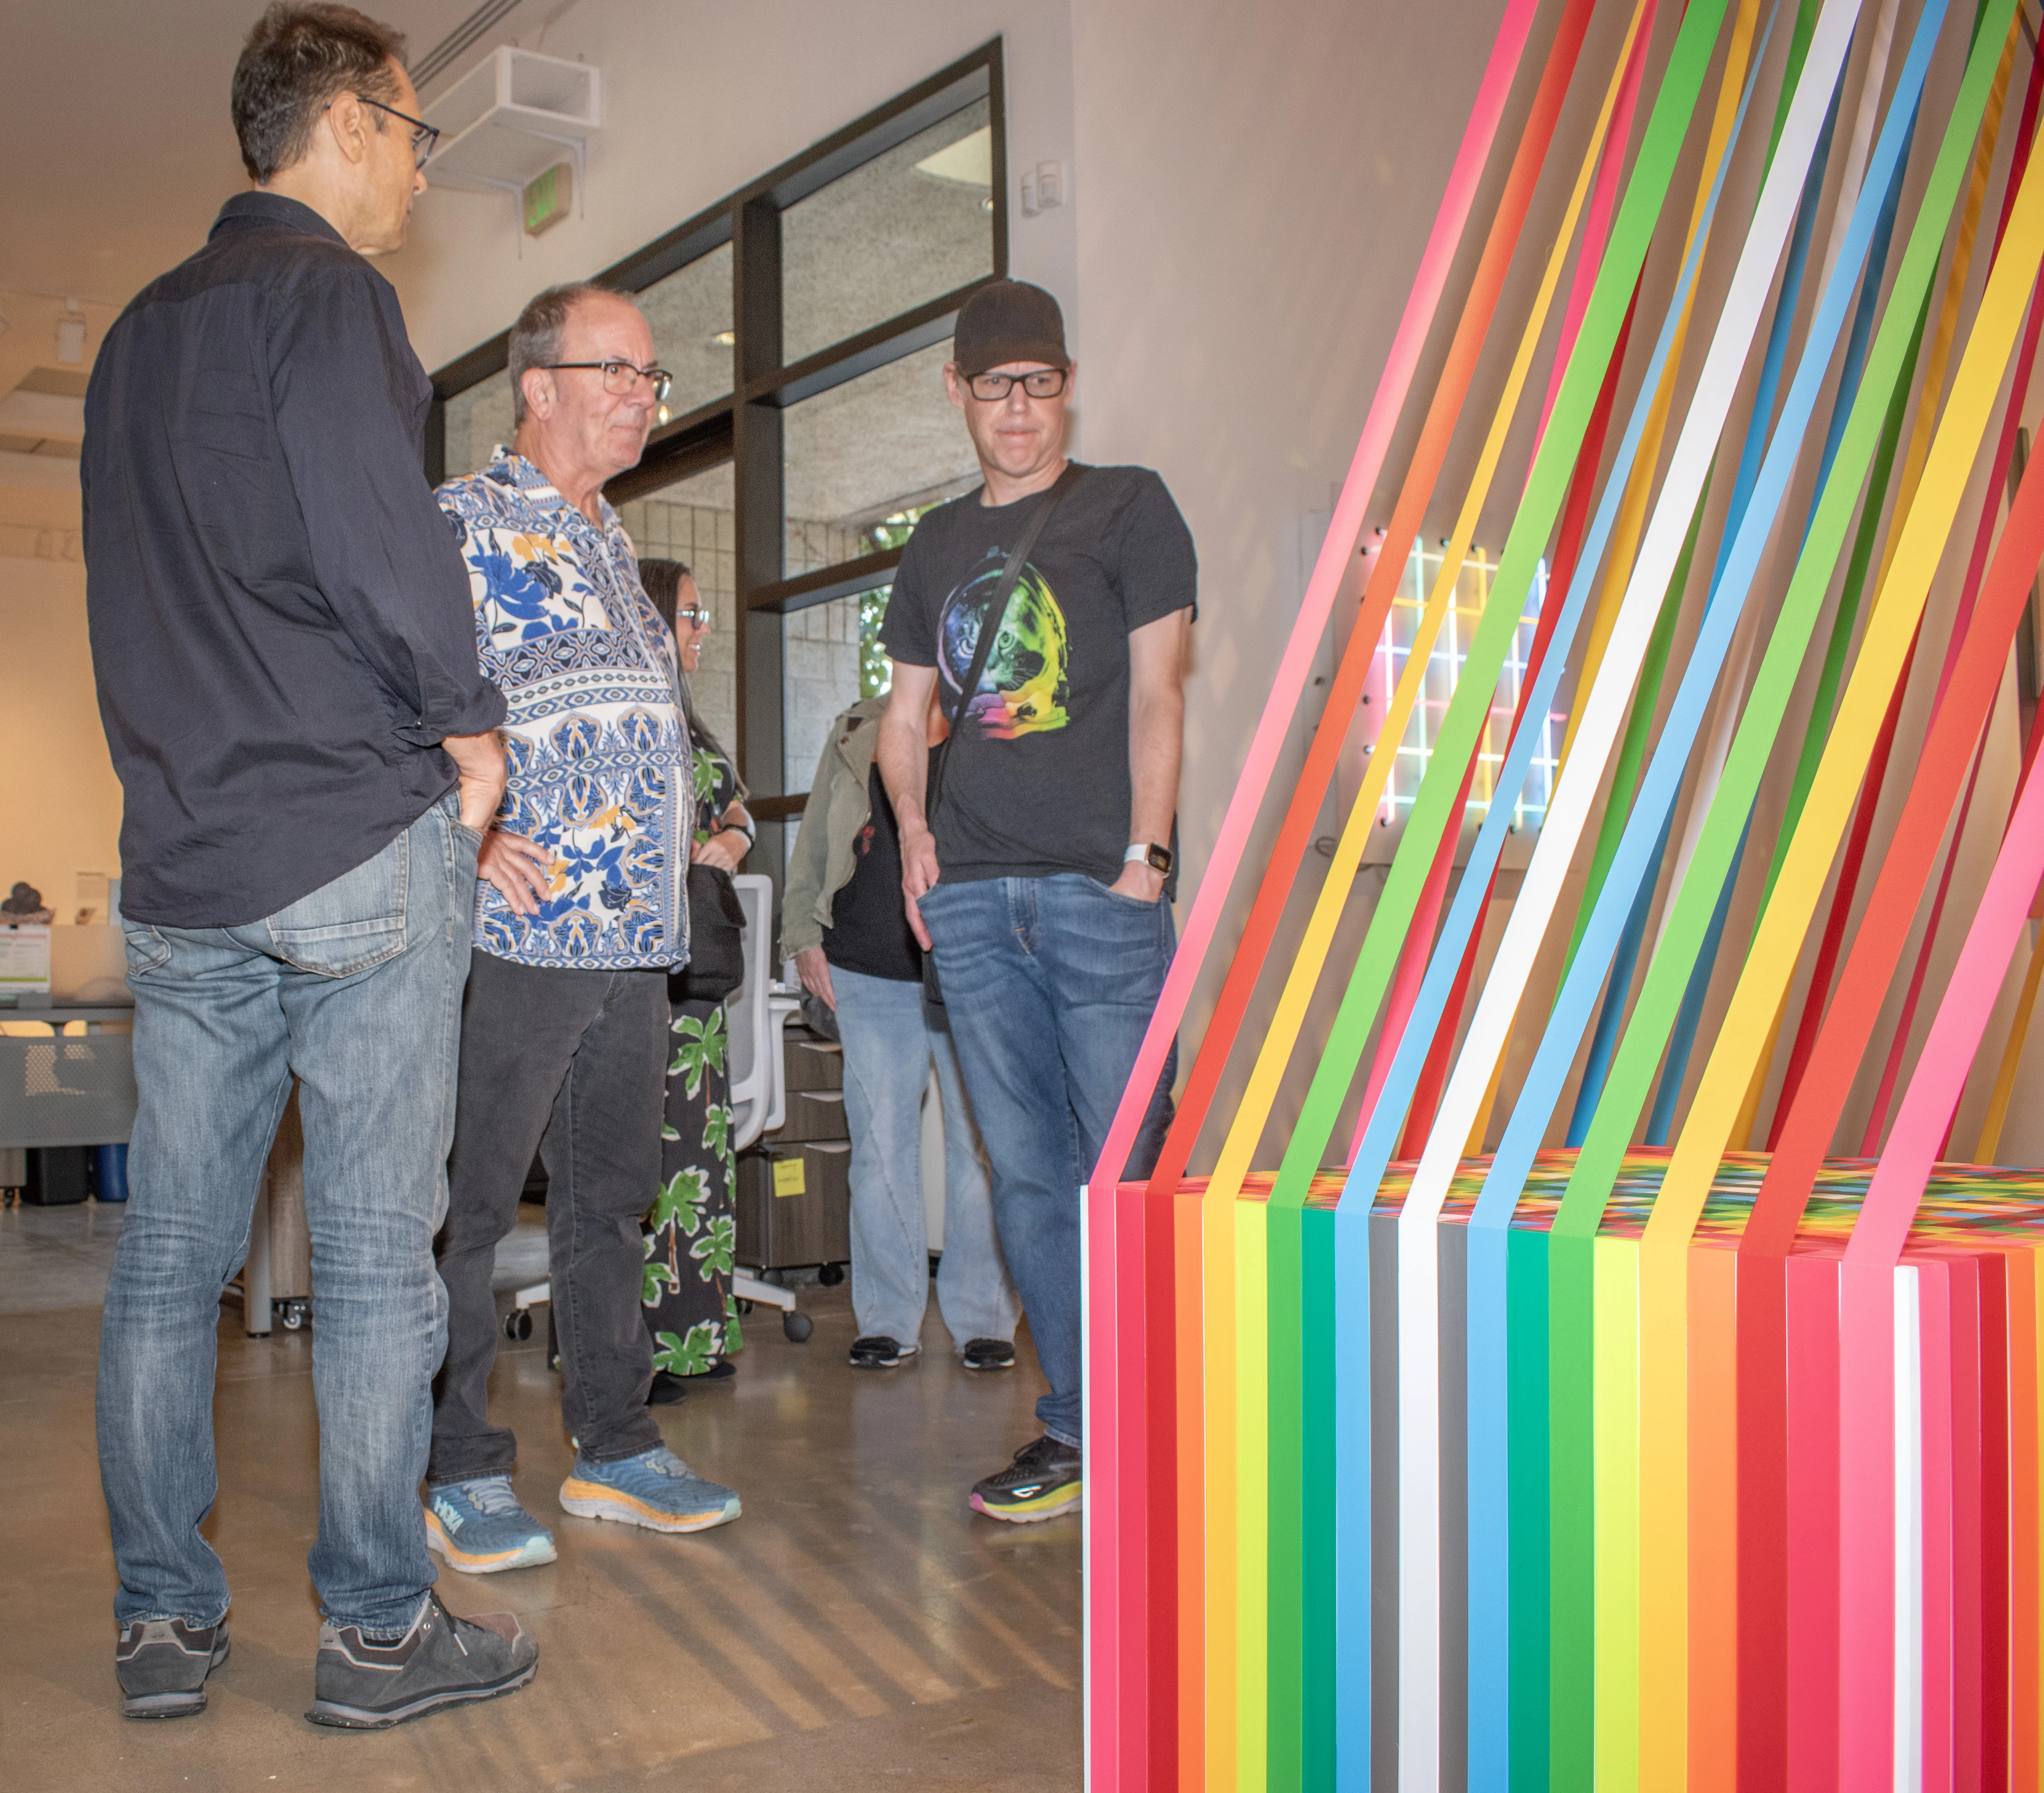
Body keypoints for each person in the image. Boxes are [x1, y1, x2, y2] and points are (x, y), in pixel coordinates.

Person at [85, 2, 535, 1730]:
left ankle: (161, 1623)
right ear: (349, 123)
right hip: (351, 839)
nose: (423, 168)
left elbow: (135, 601)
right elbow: (381, 543)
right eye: (418, 134)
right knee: (367, 1255)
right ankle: (371, 1634)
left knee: (170, 1259)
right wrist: (472, 729)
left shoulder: (133, 338)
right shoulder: (329, 300)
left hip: (188, 865)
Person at [424, 285, 741, 1576]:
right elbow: (397, 699)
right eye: (616, 368)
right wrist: (471, 832)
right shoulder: (455, 523)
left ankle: (611, 1444)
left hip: (635, 939)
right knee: (471, 1207)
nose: (642, 393)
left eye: (652, 375)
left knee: (613, 1204)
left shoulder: (617, 540)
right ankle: (453, 1464)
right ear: (537, 384)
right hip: (523, 931)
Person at [876, 280, 1194, 1524]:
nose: (1019, 410)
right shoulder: (934, 544)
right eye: (995, 386)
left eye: (1041, 384)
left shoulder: (1129, 506)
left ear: (1067, 386)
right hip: (968, 899)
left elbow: (1162, 693)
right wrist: (911, 831)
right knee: (1024, 1179)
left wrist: (1145, 860)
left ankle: (1175, 1416)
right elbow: (905, 719)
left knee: (1128, 1173)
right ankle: (1078, 1425)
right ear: (956, 393)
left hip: (1097, 892)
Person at [785, 695, 1019, 1371]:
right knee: (881, 1148)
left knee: (981, 1148)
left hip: (973, 964)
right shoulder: (858, 724)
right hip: (866, 964)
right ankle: (888, 1318)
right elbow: (816, 842)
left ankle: (985, 1319)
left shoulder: (999, 721)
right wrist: (803, 933)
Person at [638, 558, 753, 1396]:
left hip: (697, 977)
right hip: (633, 967)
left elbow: (737, 806)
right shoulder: (631, 714)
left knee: (700, 1152)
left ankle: (694, 1339)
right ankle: (622, 1350)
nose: (702, 627)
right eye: (688, 613)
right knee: (632, 1163)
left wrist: (732, 842)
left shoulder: (694, 724)